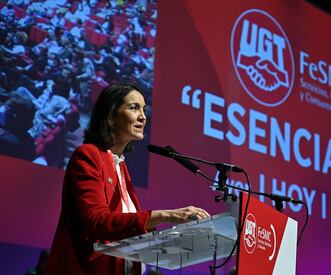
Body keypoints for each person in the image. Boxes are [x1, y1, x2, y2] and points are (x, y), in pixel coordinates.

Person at [46, 82, 210, 274]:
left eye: (144, 109)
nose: (143, 117)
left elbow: (126, 230)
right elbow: (97, 222)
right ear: (111, 115)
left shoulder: (121, 167)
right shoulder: (88, 155)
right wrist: (166, 215)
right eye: (134, 108)